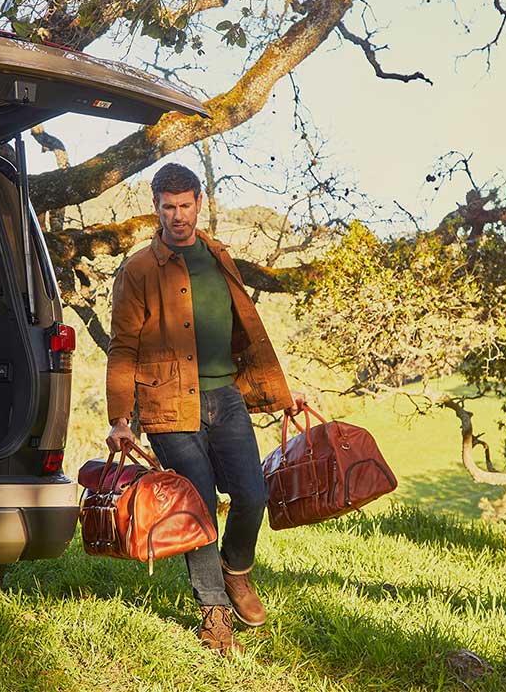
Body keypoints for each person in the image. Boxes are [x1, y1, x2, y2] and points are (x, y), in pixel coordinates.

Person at [104, 162, 303, 656]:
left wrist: (278, 390)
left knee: (253, 494)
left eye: (186, 205)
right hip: (167, 405)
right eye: (168, 207)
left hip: (225, 396)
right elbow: (122, 346)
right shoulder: (139, 270)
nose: (178, 216)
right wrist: (120, 419)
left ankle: (237, 572)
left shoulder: (218, 255)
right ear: (156, 208)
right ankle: (214, 615)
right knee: (197, 507)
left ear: (198, 203)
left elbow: (248, 331)